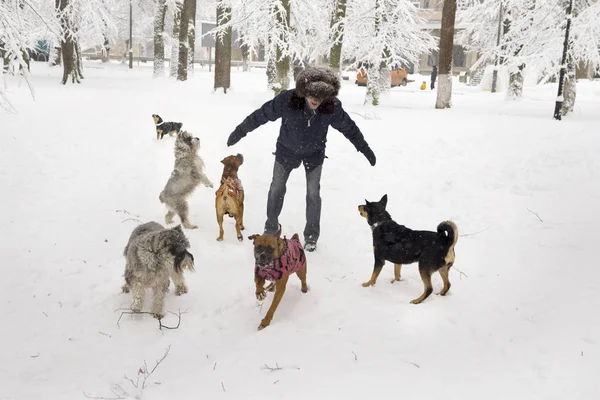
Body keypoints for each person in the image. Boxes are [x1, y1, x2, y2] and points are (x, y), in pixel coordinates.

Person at [226, 67, 376, 252]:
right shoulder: (287, 100)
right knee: (276, 188)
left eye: (320, 97)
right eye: (312, 95)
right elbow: (261, 115)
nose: (315, 100)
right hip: (286, 151)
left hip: (314, 154)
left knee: (313, 193)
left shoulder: (331, 108)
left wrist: (365, 149)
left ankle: (311, 235)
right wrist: (240, 131)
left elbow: (350, 129)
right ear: (304, 91)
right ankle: (271, 227)